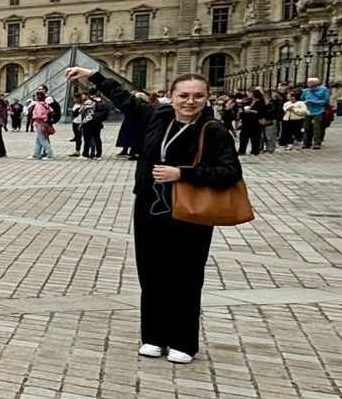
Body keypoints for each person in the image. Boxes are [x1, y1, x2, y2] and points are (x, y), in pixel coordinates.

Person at [68, 65, 241, 364]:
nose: (190, 101)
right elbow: (124, 98)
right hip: (150, 206)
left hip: (189, 211)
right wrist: (93, 75)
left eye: (198, 96)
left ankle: (183, 341)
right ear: (171, 96)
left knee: (186, 275)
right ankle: (154, 336)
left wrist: (182, 173)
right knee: (151, 273)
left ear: (207, 98)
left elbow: (230, 172)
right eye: (183, 95)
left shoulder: (213, 130)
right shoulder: (157, 117)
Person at [302, 77, 331, 148]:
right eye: (308, 82)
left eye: (310, 82)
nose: (308, 84)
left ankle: (317, 143)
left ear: (315, 83)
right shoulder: (306, 91)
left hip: (319, 111)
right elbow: (302, 99)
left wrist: (313, 102)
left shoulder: (323, 90)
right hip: (308, 111)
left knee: (317, 128)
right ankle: (306, 143)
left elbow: (325, 101)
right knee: (307, 127)